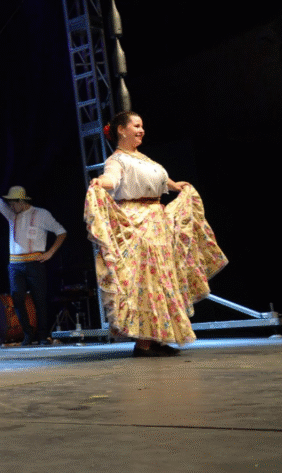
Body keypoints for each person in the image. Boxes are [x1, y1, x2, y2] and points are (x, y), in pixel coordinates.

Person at [87, 111, 227, 356]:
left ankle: (159, 338)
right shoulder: (117, 160)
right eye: (136, 126)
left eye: (141, 126)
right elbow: (112, 179)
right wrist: (101, 182)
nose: (141, 130)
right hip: (137, 223)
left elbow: (159, 179)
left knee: (162, 279)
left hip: (157, 222)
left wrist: (174, 186)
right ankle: (143, 343)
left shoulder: (143, 158)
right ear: (121, 130)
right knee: (146, 280)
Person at [0, 178, 66, 345]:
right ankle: (28, 333)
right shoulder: (11, 215)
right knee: (17, 298)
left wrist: (50, 253)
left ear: (21, 201)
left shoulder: (41, 214)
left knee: (39, 300)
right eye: (10, 204)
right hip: (15, 264)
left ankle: (42, 335)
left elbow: (61, 232)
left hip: (35, 263)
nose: (11, 207)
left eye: (13, 204)